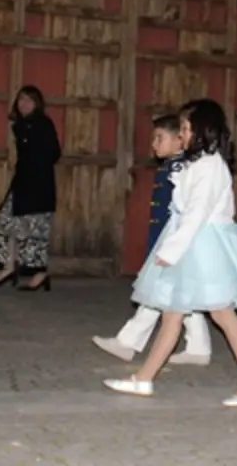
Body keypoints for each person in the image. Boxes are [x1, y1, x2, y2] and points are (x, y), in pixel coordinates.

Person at [103, 99, 237, 407]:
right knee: (173, 315)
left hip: (203, 244)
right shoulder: (196, 163)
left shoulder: (211, 166)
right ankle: (144, 379)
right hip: (189, 240)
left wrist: (171, 251)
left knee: (223, 315)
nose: (181, 134)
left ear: (203, 131)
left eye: (185, 128)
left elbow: (197, 214)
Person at [92, 113, 212, 366]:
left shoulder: (182, 168)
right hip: (167, 239)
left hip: (176, 241)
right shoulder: (171, 165)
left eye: (160, 138)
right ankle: (198, 347)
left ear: (180, 141)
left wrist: (170, 244)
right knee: (177, 295)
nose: (154, 144)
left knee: (159, 293)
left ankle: (128, 342)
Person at [0, 86, 61, 291]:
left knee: (35, 229)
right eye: (21, 100)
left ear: (37, 104)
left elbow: (54, 153)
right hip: (21, 183)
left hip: (38, 185)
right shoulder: (19, 126)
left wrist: (36, 168)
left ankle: (39, 273)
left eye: (29, 100)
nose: (24, 104)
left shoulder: (43, 124)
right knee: (4, 223)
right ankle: (8, 266)